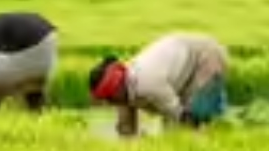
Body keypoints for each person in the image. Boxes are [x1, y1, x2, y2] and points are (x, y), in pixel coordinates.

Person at [87, 32, 229, 138]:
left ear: (116, 88)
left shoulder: (147, 82)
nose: (109, 103)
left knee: (189, 123)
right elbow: (126, 132)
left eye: (109, 98)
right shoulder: (123, 90)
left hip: (206, 58)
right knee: (171, 132)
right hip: (182, 67)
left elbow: (183, 117)